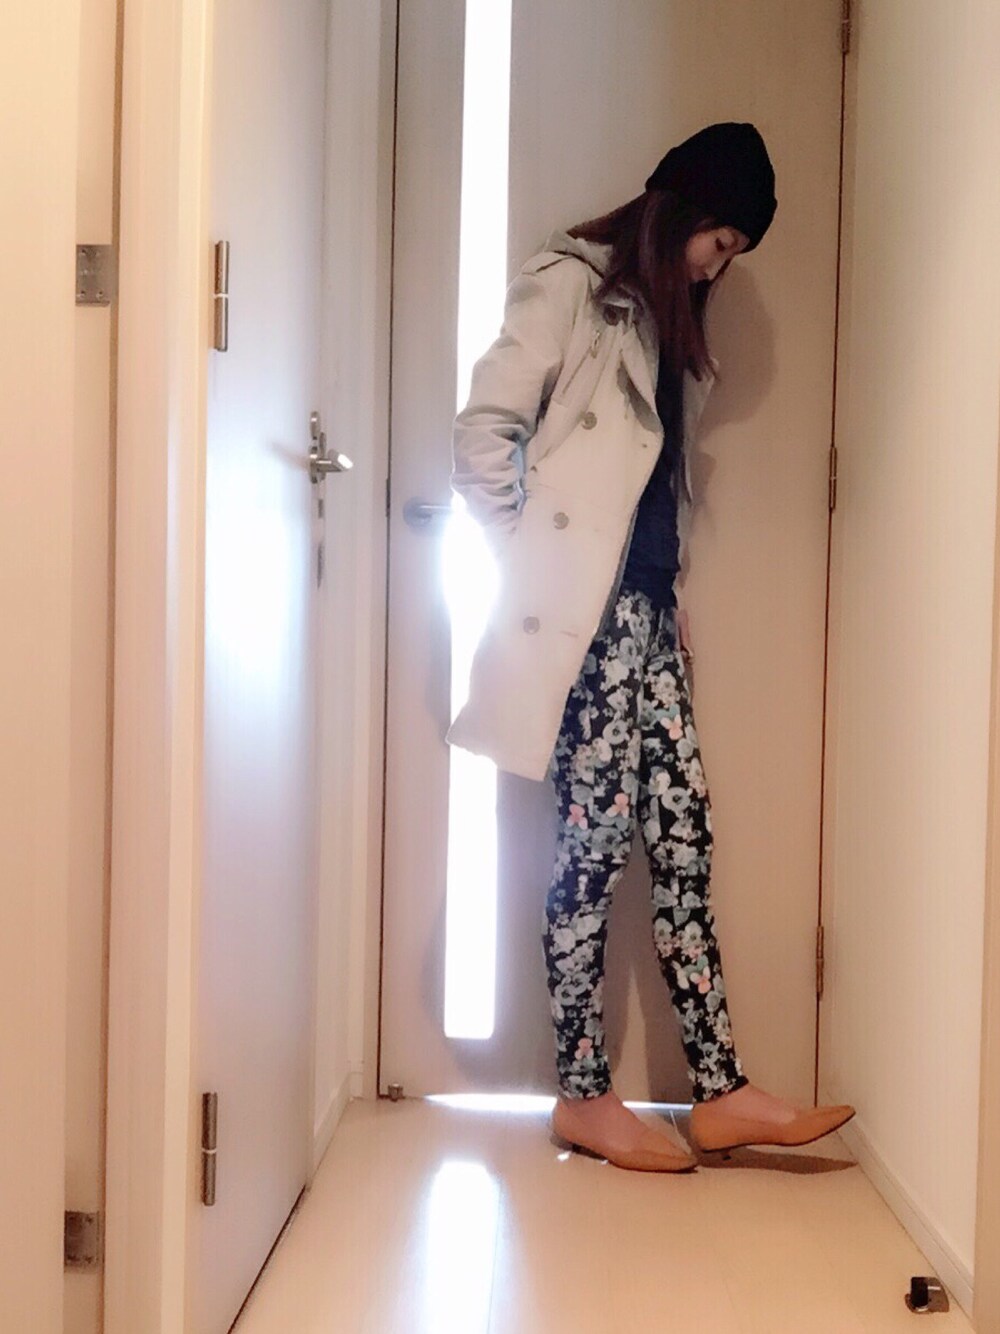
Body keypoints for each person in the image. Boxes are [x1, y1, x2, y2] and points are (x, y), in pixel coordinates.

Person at [447, 122, 855, 1172]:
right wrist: (534, 568)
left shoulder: (670, 325)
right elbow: (483, 433)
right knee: (588, 849)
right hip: (587, 623)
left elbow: (652, 492)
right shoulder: (569, 287)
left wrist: (663, 601)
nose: (720, 265)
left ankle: (719, 1090)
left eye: (734, 252)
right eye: (720, 241)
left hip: (647, 619)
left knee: (683, 837)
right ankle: (583, 1093)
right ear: (681, 212)